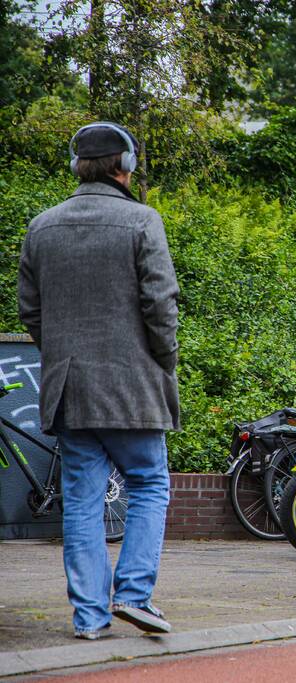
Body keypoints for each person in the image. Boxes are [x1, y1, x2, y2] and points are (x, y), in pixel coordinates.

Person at [18, 122, 180, 639]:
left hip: (70, 390)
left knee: (83, 500)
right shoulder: (142, 221)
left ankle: (90, 617)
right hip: (133, 386)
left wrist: (63, 355)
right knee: (149, 483)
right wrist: (164, 359)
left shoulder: (41, 227)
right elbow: (160, 304)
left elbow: (31, 311)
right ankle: (134, 594)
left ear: (76, 167)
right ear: (125, 166)